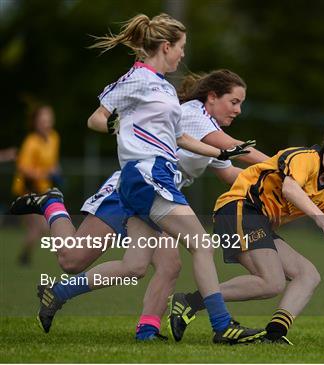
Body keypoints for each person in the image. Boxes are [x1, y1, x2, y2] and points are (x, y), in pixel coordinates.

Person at [10, 13, 263, 344]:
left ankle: (137, 328)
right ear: (166, 46)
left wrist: (220, 154)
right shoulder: (137, 79)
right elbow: (96, 119)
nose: (183, 55)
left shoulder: (166, 89)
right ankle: (222, 325)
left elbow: (179, 138)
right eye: (181, 47)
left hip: (150, 178)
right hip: (146, 175)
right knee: (200, 244)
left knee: (137, 264)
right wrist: (113, 124)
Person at [169, 117, 324, 344]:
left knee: (308, 275)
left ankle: (274, 334)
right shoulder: (305, 158)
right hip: (238, 207)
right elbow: (290, 188)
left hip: (257, 221)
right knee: (271, 282)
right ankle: (191, 302)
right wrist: (318, 215)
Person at [11, 105, 61, 265]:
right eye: (43, 119)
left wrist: (55, 170)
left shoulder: (54, 137)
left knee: (38, 228)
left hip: (43, 189)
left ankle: (24, 257)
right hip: (28, 189)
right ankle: (66, 259)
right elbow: (22, 167)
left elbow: (52, 163)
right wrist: (41, 174)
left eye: (49, 118)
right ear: (36, 122)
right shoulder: (31, 142)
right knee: (44, 227)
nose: (46, 122)